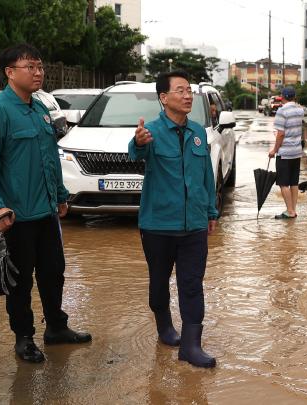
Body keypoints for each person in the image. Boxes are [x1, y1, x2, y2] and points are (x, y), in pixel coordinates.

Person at [0, 43, 91, 364]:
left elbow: (49, 159)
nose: (38, 73)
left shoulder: (39, 108)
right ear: (10, 73)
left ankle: (55, 327)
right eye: (31, 67)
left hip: (47, 213)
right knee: (20, 281)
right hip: (16, 217)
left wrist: (62, 196)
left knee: (54, 273)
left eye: (40, 67)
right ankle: (24, 338)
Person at [129, 69, 218, 368]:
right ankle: (165, 327)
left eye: (189, 90)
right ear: (163, 98)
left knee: (192, 284)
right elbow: (135, 155)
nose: (188, 95)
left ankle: (191, 346)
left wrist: (211, 212)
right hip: (157, 226)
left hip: (193, 225)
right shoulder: (150, 131)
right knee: (159, 282)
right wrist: (138, 142)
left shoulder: (198, 133)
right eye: (180, 90)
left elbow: (207, 176)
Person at [269, 86, 304, 219]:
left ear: (282, 97)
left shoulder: (282, 111)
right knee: (294, 182)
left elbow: (281, 134)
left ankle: (289, 211)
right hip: (297, 152)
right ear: (294, 97)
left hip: (285, 153)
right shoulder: (300, 110)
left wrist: (274, 150)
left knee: (283, 183)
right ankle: (293, 210)